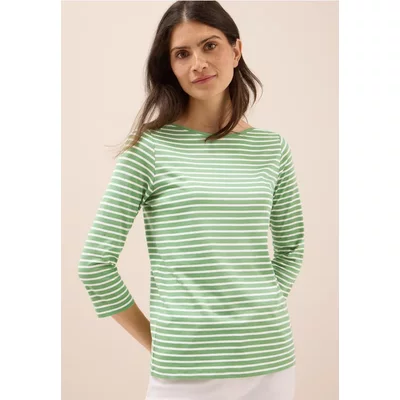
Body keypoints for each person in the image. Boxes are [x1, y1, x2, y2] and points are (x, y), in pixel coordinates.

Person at [78, 1, 304, 399]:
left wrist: (256, 314)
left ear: (236, 50)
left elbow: (291, 248)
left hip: (270, 362)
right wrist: (161, 343)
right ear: (171, 67)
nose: (198, 63)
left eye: (209, 45)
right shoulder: (148, 149)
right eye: (182, 54)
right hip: (185, 371)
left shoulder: (272, 149)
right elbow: (95, 265)